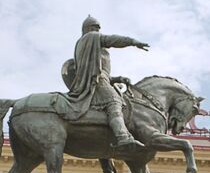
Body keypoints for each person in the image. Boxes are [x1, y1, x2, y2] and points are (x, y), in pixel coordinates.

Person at [62, 15, 149, 152]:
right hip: (96, 83)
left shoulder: (84, 44)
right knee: (114, 104)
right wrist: (132, 42)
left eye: (98, 28)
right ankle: (122, 137)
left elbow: (98, 70)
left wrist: (118, 78)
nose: (98, 31)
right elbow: (113, 40)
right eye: (96, 28)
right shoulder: (91, 38)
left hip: (98, 80)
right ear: (89, 29)